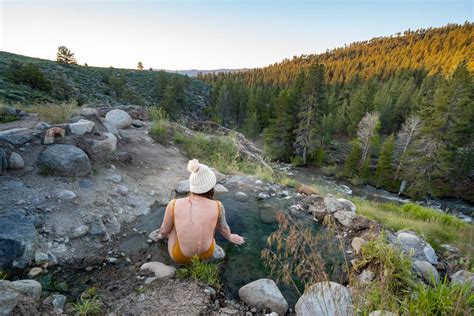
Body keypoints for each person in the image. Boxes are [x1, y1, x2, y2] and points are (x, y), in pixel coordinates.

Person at [150, 159, 245, 264]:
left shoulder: (174, 204)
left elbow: (163, 230)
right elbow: (223, 228)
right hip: (207, 253)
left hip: (181, 256)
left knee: (172, 225)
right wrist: (230, 237)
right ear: (211, 186)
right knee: (214, 223)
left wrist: (162, 236)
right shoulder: (218, 205)